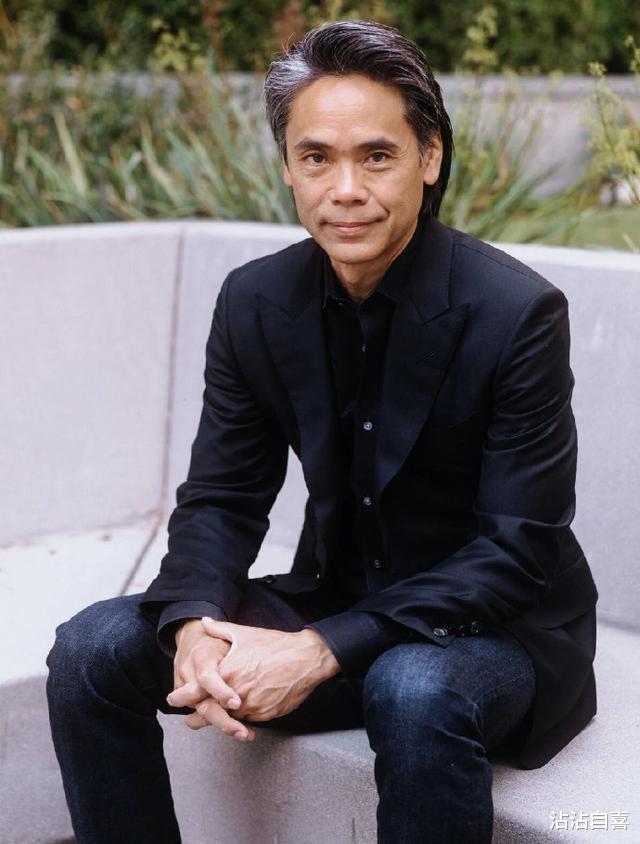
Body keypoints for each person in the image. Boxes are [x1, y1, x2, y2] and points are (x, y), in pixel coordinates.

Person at [46, 19, 598, 844]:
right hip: (335, 600)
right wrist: (194, 623)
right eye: (316, 158)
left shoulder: (515, 312)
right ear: (287, 166)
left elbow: (517, 551)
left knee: (412, 688)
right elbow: (223, 498)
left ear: (429, 157)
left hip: (494, 632)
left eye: (376, 156)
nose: (345, 189)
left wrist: (318, 651)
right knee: (92, 648)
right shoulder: (256, 301)